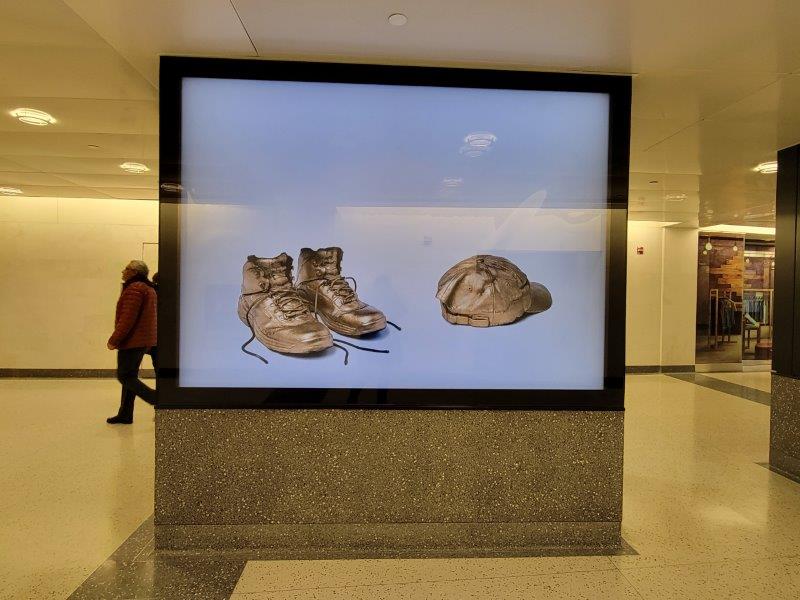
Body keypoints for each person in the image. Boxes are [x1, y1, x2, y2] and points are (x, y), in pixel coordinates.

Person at [106, 260, 157, 424]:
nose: (123, 271)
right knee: (130, 376)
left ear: (134, 272)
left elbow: (127, 319)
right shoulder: (148, 288)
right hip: (144, 340)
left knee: (125, 376)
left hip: (132, 341)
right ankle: (125, 413)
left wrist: (114, 339)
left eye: (126, 269)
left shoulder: (134, 289)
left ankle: (155, 398)